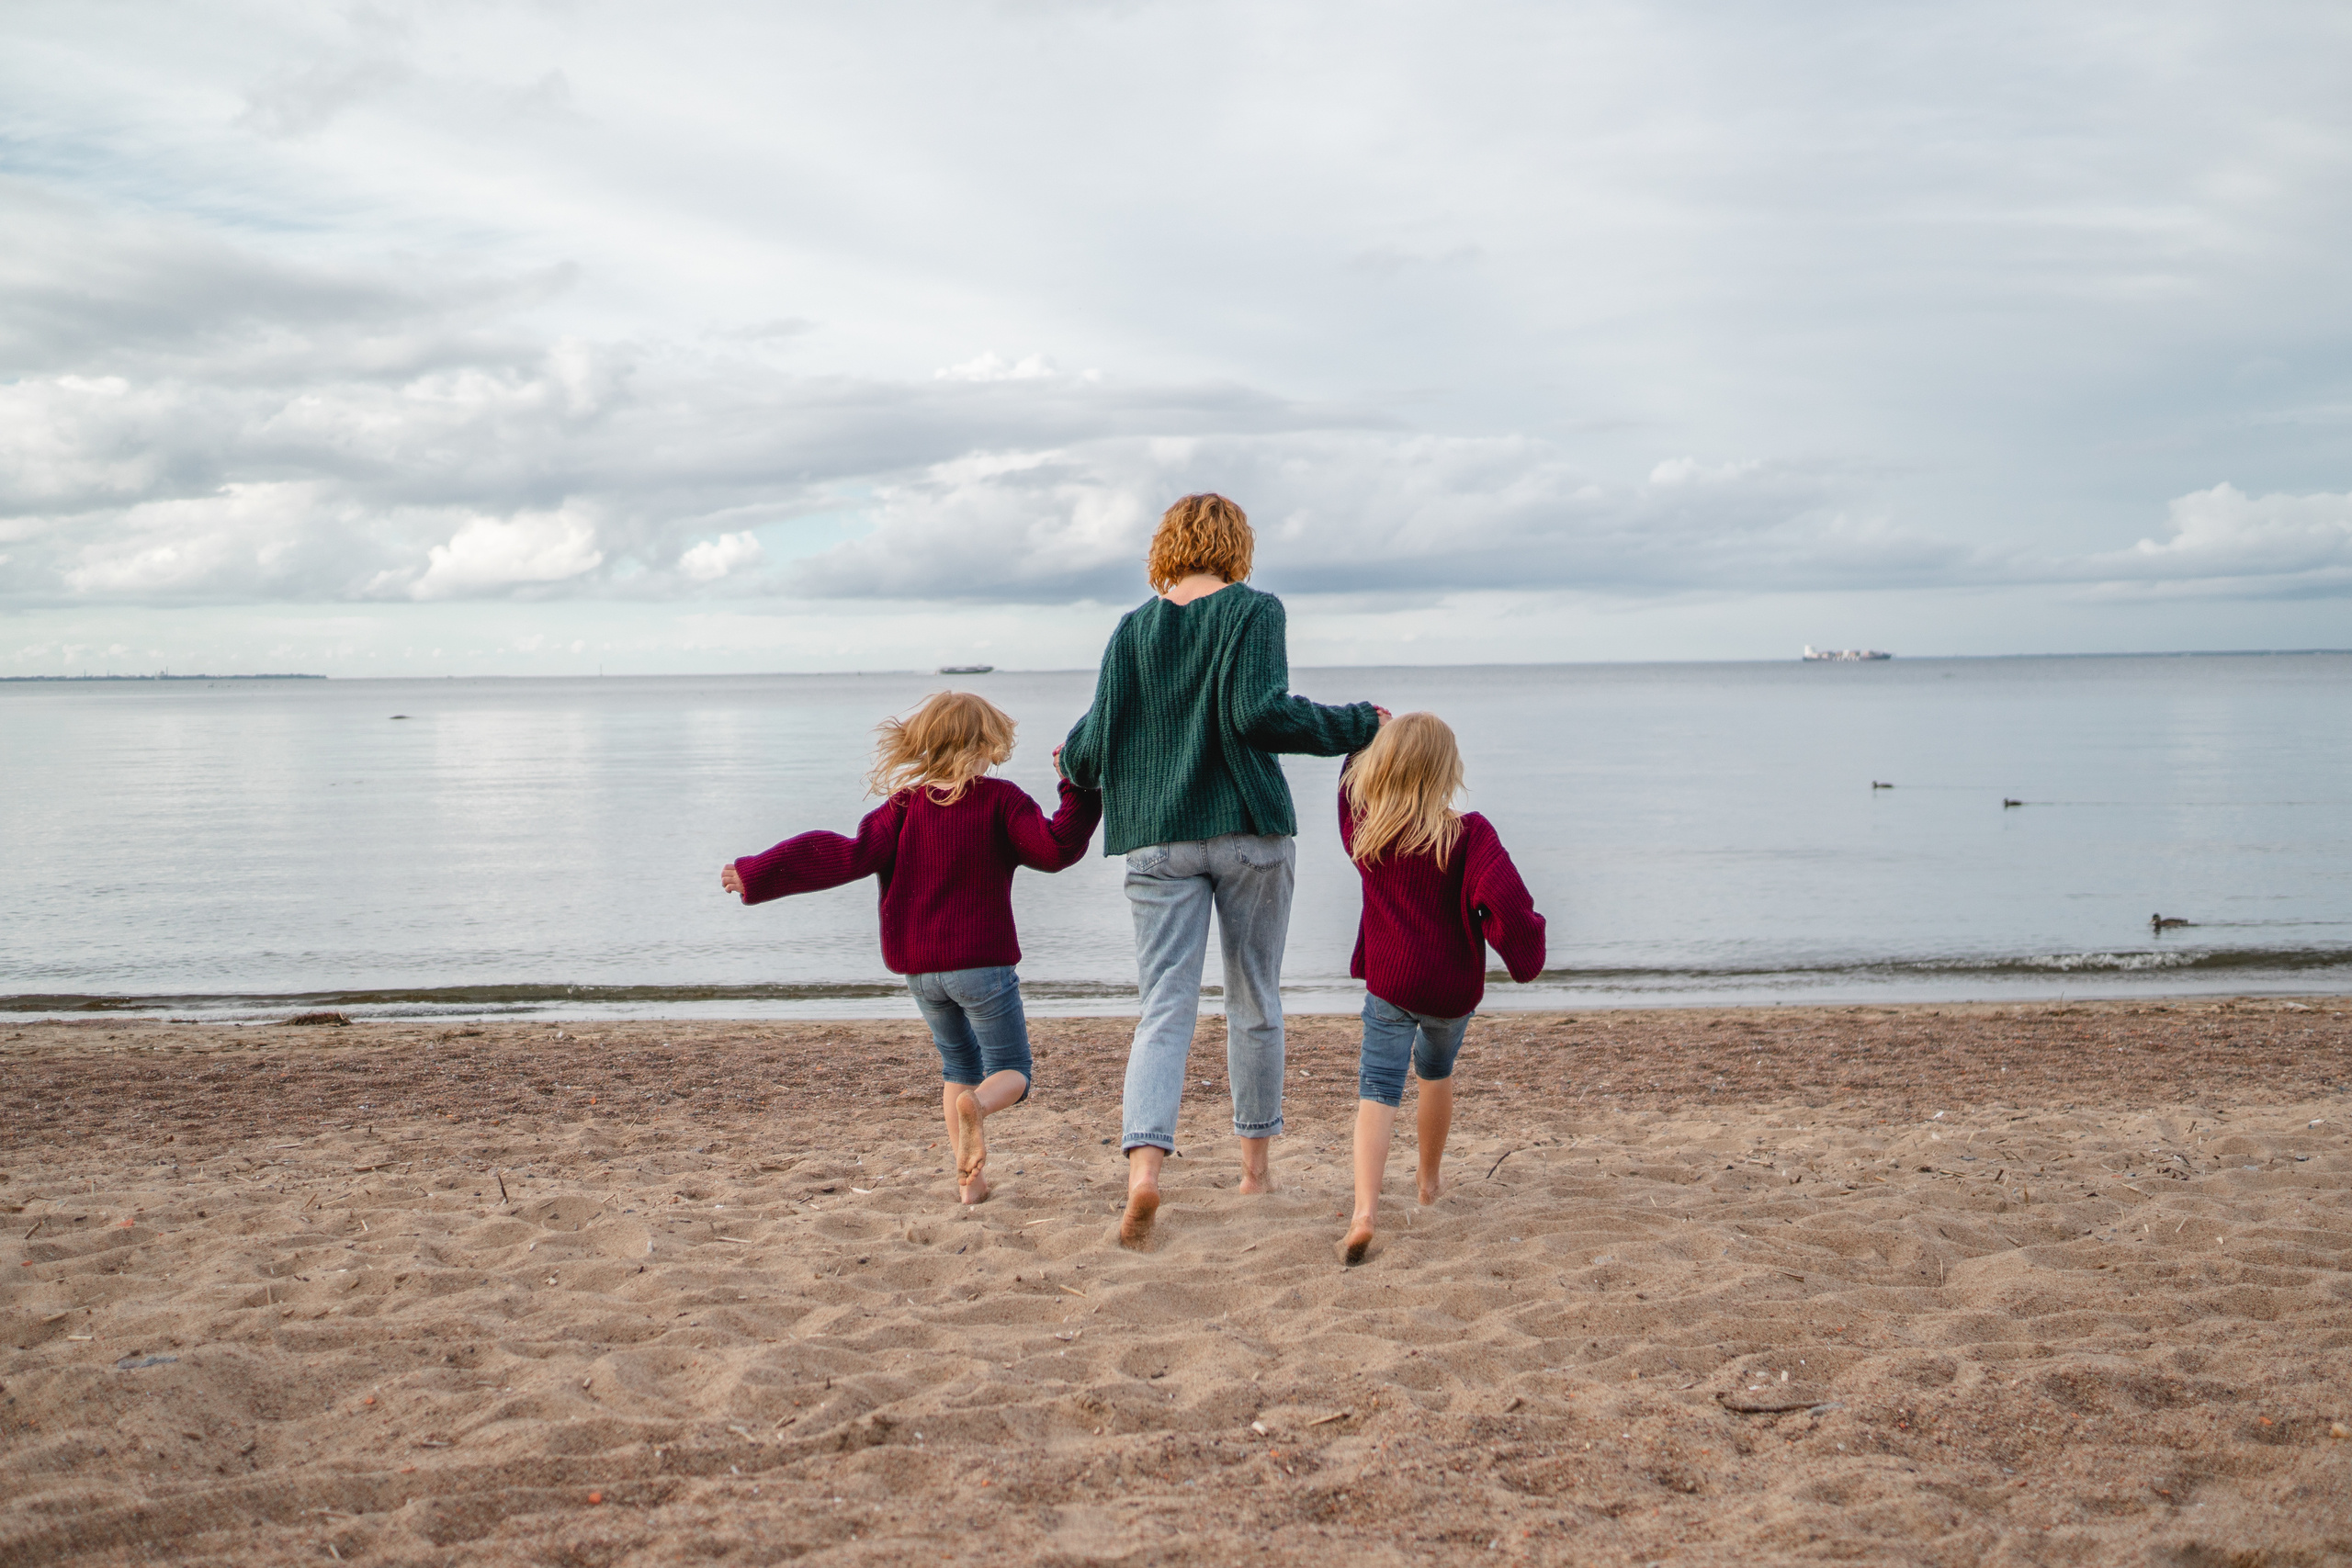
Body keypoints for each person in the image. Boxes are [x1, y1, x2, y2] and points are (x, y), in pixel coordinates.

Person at [1058, 492, 1385, 1249]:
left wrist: (1072, 762)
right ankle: (1254, 1172)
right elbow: (1258, 713)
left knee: (1164, 1007)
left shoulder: (1132, 629)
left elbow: (1092, 744)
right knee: (1254, 995)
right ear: (1236, 545)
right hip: (1247, 829)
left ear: (1167, 546)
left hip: (1157, 841)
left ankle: (1144, 1170)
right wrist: (1362, 721)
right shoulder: (1254, 611)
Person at [721, 691, 1100, 1204]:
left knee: (957, 1068)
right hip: (981, 967)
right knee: (1013, 1071)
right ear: (986, 742)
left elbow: (842, 855)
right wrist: (1078, 785)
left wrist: (757, 873)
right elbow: (1056, 850)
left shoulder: (900, 807)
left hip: (921, 973)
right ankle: (981, 1109)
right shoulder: (1002, 800)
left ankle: (971, 1183)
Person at [1335, 712, 1545, 1266]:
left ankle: (1364, 1214)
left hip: (1391, 985)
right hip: (1451, 990)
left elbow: (1348, 792)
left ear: (1386, 768)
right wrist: (1523, 948)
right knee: (1435, 1074)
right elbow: (1507, 900)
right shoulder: (1471, 833)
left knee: (1377, 1090)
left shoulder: (1368, 831)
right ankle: (1428, 1185)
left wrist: (1361, 739)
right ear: (1448, 770)